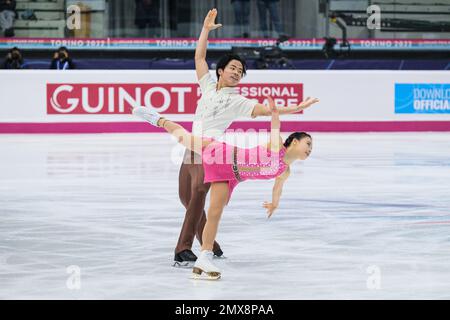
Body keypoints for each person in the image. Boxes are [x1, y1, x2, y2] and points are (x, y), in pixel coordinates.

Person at [171, 8, 310, 268]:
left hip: (210, 151)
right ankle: (211, 244)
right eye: (233, 68)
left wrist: (293, 107)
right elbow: (200, 57)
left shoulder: (239, 101)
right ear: (221, 71)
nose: (237, 73)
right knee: (186, 198)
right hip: (191, 147)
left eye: (241, 71)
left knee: (199, 194)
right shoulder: (208, 86)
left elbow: (267, 110)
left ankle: (184, 249)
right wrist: (205, 30)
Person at [132, 93, 318, 279]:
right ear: (294, 142)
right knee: (185, 140)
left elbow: (278, 187)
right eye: (308, 143)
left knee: (215, 213)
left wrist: (274, 204)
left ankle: (204, 257)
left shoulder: (285, 171)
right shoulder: (277, 146)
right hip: (223, 155)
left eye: (311, 146)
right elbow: (275, 124)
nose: (310, 149)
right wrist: (283, 110)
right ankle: (158, 119)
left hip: (231, 176)